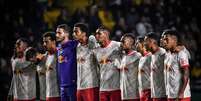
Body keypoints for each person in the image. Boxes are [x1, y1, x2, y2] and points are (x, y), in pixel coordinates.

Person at [162, 30, 191, 101]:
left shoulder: (181, 53)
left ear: (174, 40)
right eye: (163, 39)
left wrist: (181, 93)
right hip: (170, 95)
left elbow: (186, 73)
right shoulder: (167, 54)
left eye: (166, 39)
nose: (164, 41)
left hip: (181, 96)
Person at [94, 26, 121, 101]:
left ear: (106, 34)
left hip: (116, 88)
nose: (97, 36)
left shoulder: (118, 45)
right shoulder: (96, 51)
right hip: (103, 88)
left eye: (99, 33)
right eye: (96, 34)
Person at [73, 23, 99, 101]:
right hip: (79, 87)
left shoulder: (92, 45)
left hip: (91, 86)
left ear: (84, 33)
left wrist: (92, 38)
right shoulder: (77, 46)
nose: (73, 34)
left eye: (76, 31)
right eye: (73, 32)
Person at [56, 24, 78, 101]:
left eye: (59, 33)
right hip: (62, 85)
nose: (57, 35)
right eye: (56, 33)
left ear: (66, 34)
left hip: (72, 84)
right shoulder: (58, 47)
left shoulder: (73, 44)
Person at [144, 32, 167, 101]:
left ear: (152, 41)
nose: (144, 44)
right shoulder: (152, 55)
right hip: (155, 94)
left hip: (163, 95)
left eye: (146, 41)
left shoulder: (163, 54)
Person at [119, 34, 141, 101]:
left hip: (134, 95)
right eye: (121, 41)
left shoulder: (138, 56)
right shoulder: (123, 56)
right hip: (124, 94)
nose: (122, 43)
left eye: (124, 41)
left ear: (131, 42)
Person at [43, 32, 60, 101]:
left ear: (53, 42)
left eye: (46, 42)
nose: (44, 44)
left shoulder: (60, 54)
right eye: (43, 42)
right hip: (48, 95)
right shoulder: (46, 56)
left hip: (58, 95)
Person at [136, 36, 152, 101]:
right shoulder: (141, 58)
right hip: (142, 90)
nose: (135, 45)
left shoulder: (151, 56)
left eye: (137, 43)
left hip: (149, 90)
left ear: (143, 44)